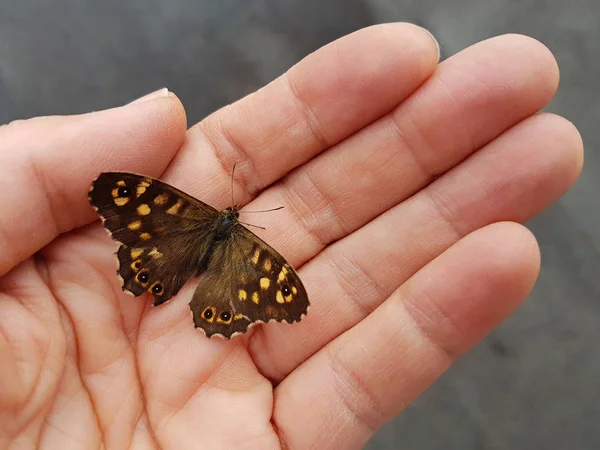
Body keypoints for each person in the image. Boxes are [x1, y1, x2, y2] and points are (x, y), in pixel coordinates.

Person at [0, 23, 582, 449]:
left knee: (171, 254)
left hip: (171, 244)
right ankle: (202, 297)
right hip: (209, 263)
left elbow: (129, 194)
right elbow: (118, 191)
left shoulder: (188, 212)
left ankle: (177, 284)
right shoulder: (257, 254)